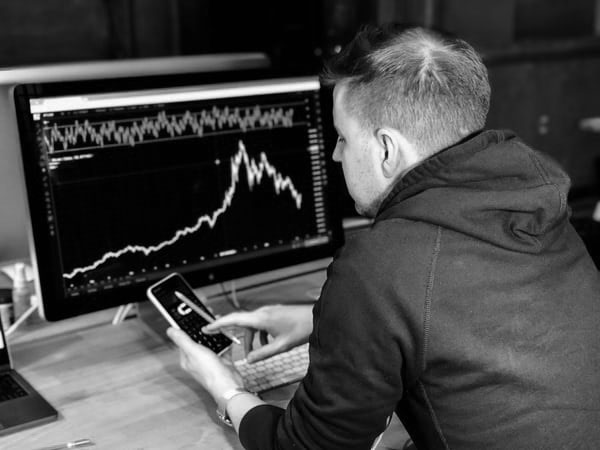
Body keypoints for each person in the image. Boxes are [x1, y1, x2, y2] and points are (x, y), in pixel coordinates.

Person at [167, 25, 600, 449]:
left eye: (342, 137)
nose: (336, 153)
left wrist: (225, 388)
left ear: (387, 150)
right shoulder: (536, 202)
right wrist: (324, 321)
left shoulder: (380, 266)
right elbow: (466, 315)